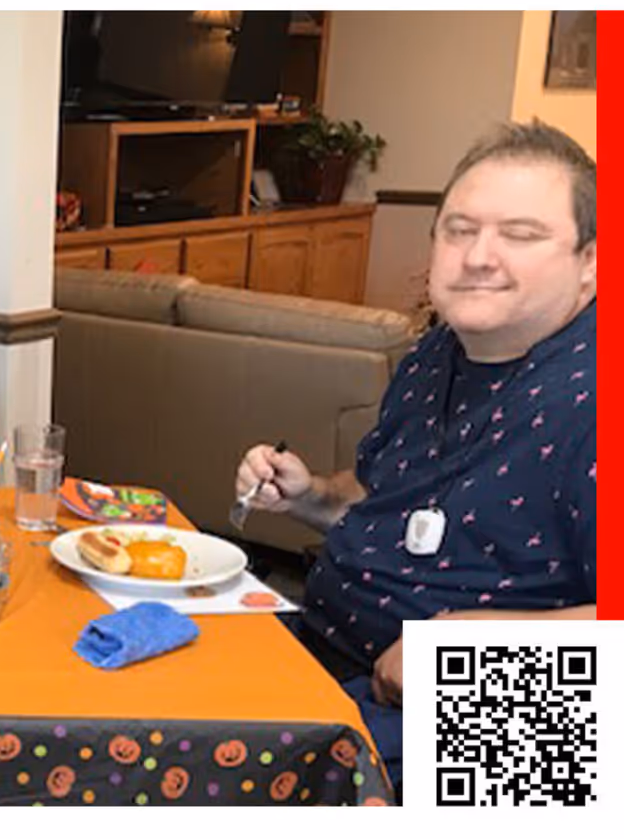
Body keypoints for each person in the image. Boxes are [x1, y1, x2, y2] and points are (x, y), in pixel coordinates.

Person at [235, 121, 596, 791]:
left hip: (491, 711)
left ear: (592, 261)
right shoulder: (437, 353)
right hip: (326, 644)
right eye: (459, 229)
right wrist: (310, 493)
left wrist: (456, 649)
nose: (479, 256)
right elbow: (383, 499)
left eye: (520, 234)